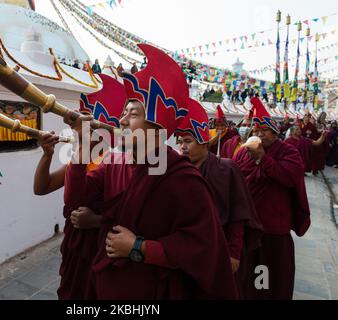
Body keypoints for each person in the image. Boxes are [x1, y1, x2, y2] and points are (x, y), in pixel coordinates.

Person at [64, 44, 238, 300]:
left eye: (132, 115)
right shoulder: (114, 163)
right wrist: (81, 148)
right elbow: (74, 200)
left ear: (157, 125)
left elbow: (202, 246)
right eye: (123, 113)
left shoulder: (181, 177)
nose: (121, 121)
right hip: (108, 283)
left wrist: (139, 247)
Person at [33, 74, 127, 300]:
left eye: (88, 127)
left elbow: (130, 214)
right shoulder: (79, 160)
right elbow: (42, 187)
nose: (79, 132)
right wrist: (47, 155)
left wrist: (95, 221)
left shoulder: (118, 163)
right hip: (77, 245)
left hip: (103, 244)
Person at [176, 98, 263, 298]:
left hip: (220, 246)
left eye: (188, 141)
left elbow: (238, 214)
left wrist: (234, 251)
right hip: (187, 249)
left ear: (204, 141)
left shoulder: (226, 169)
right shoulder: (178, 171)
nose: (182, 147)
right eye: (180, 142)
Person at [233, 97, 311, 300]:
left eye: (264, 131)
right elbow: (233, 180)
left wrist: (262, 158)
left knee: (271, 282)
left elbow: (289, 177)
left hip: (273, 231)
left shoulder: (288, 152)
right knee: (248, 282)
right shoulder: (242, 153)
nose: (259, 134)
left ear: (275, 133)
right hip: (248, 230)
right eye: (256, 130)